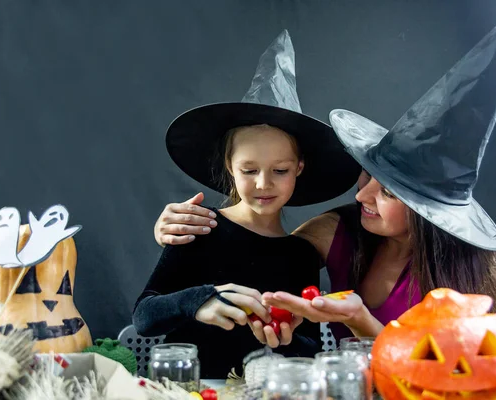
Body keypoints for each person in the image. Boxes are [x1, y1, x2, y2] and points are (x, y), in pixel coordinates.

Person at [150, 1, 496, 346]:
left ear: (428, 213)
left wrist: (362, 322)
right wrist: (176, 232)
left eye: (388, 193)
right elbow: (254, 250)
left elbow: (458, 371)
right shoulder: (336, 233)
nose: (361, 195)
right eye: (367, 178)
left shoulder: (461, 277)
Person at [132, 30, 359, 378]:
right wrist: (200, 300)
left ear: (299, 169)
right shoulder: (201, 226)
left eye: (280, 170)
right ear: (230, 168)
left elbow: (310, 344)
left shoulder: (299, 253)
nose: (264, 183)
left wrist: (287, 339)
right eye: (249, 170)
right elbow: (144, 315)